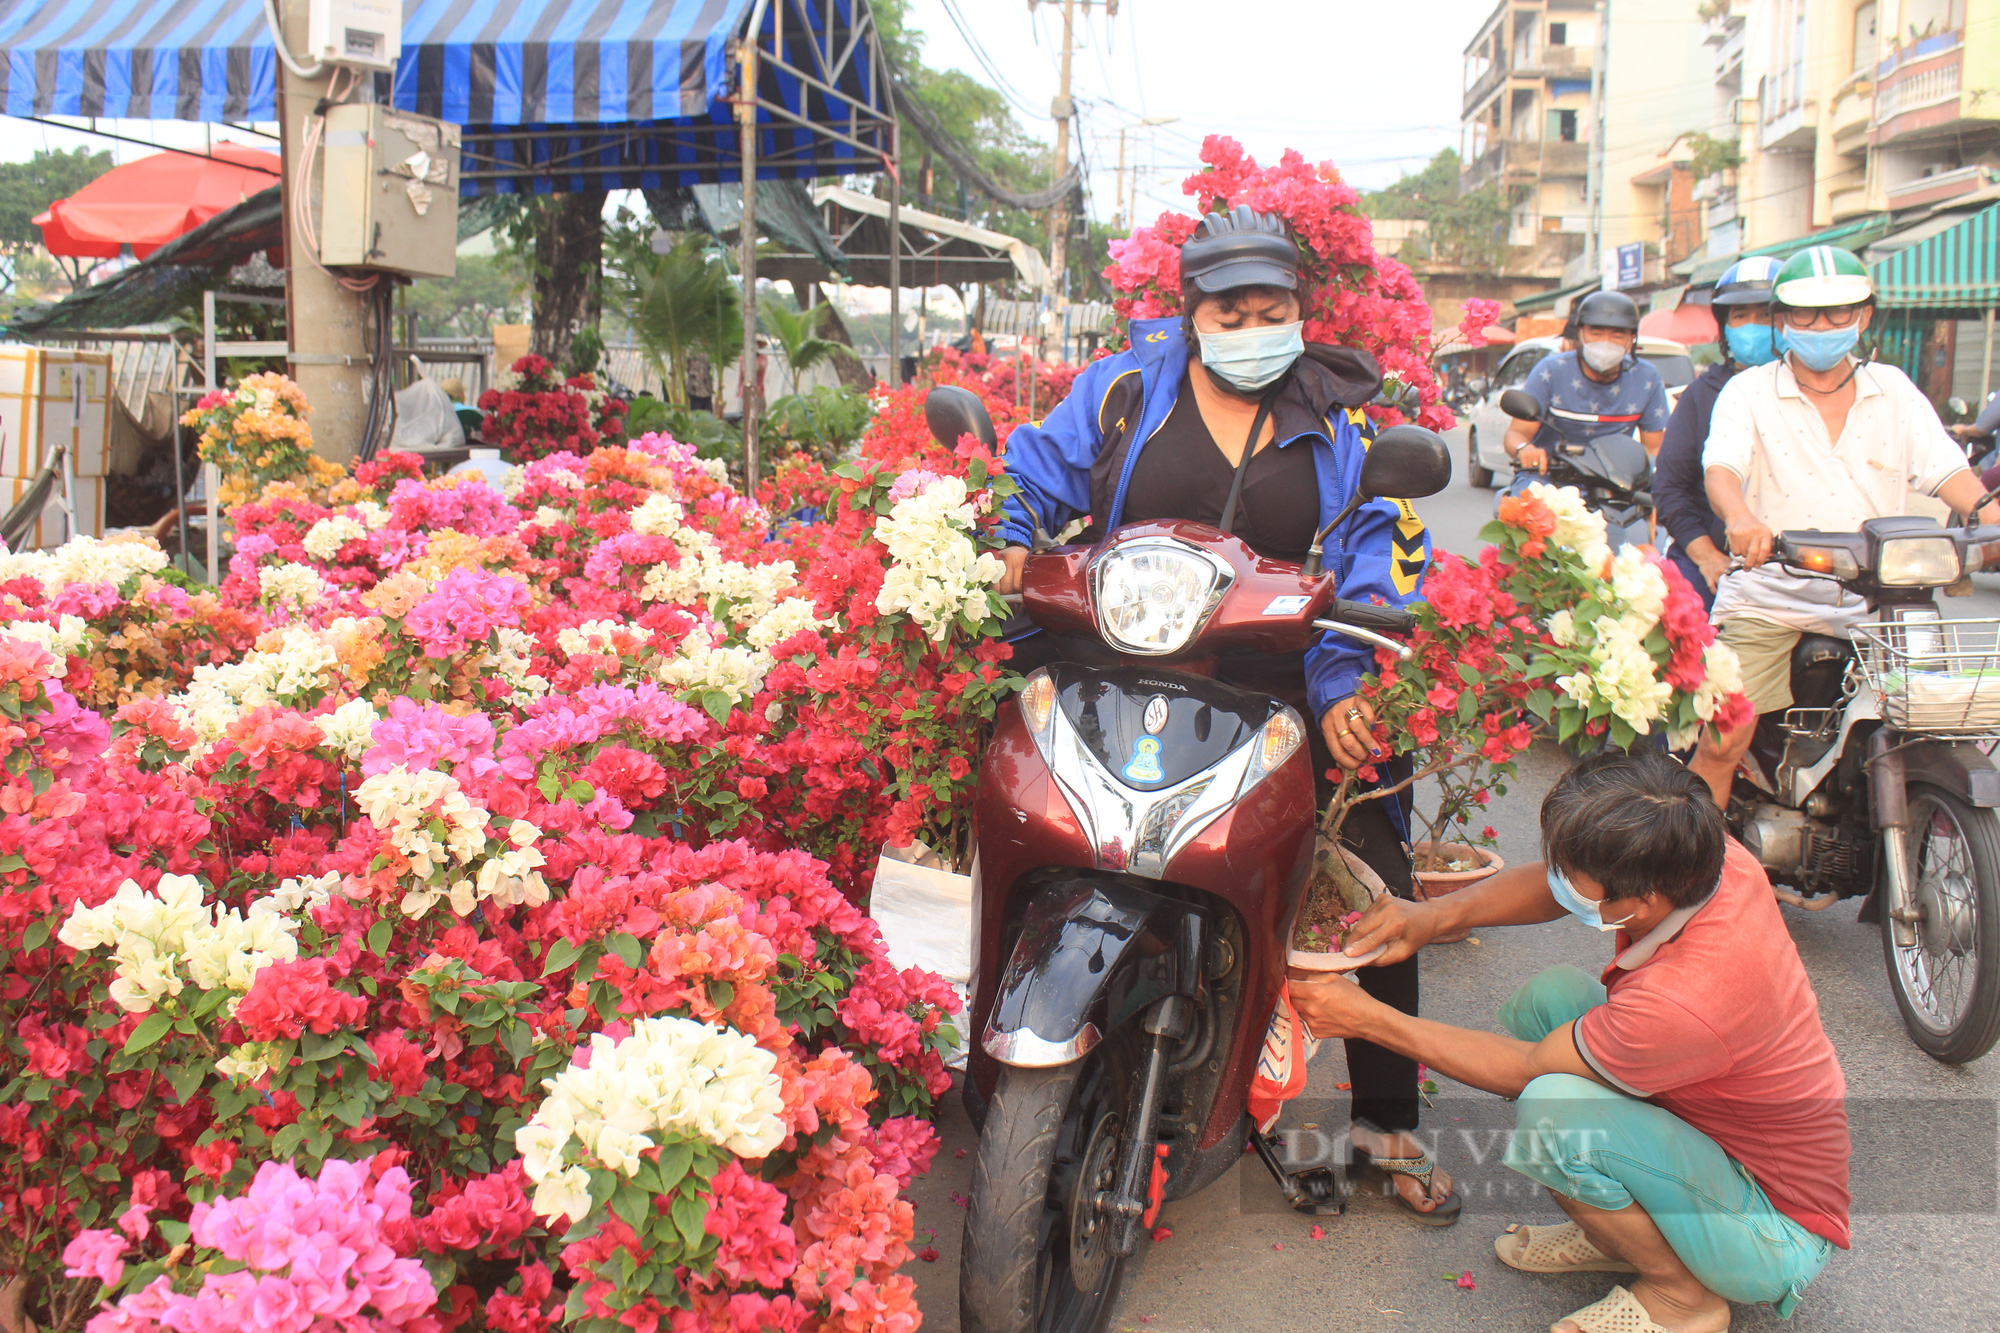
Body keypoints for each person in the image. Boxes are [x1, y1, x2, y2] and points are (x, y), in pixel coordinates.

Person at [994, 205, 1457, 1223]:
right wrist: (1005, 537)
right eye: (1232, 308)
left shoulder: (1339, 421)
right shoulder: (1123, 389)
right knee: (983, 806)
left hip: (1279, 677)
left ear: (1300, 309)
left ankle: (1387, 1121)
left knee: (1375, 868)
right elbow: (1030, 479)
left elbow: (1372, 558)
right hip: (1109, 657)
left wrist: (1346, 687)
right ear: (1191, 313)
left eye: (1272, 307)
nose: (1254, 325)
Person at [1291, 750, 1850, 1333]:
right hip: (1715, 1137)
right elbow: (1557, 887)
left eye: (1577, 875)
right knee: (1552, 999)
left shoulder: (1685, 998)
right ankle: (1627, 1234)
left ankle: (1683, 1296)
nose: (1559, 877)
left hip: (1771, 1229)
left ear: (1645, 899)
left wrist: (1365, 1017)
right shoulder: (1703, 854)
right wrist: (1429, 919)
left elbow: (1527, 1070)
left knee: (1554, 1112)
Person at [1689, 245, 2000, 807]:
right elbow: (1722, 470)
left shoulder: (1896, 391)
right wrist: (1740, 518)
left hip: (1878, 605)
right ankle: (1698, 879)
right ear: (1782, 319)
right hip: (1771, 597)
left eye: (1839, 312)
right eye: (1806, 314)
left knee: (1939, 719)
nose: (1823, 326)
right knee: (1721, 741)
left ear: (1865, 316)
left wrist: (1987, 517)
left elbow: (1950, 472)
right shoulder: (1748, 391)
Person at [1651, 258, 1784, 610]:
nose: (1753, 326)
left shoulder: (1819, 392)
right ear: (1724, 327)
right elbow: (1670, 488)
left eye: (1765, 314)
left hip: (1802, 566)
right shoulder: (1700, 396)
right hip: (1718, 560)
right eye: (1740, 316)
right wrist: (1707, 555)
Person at [1502, 290, 1669, 492]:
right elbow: (1516, 433)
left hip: (1616, 485)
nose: (1605, 342)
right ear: (1580, 334)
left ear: (1632, 338)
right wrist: (1524, 450)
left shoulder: (1646, 377)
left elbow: (1653, 448)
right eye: (1596, 333)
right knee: (1524, 511)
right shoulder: (1551, 370)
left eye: (1617, 335)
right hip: (1547, 480)